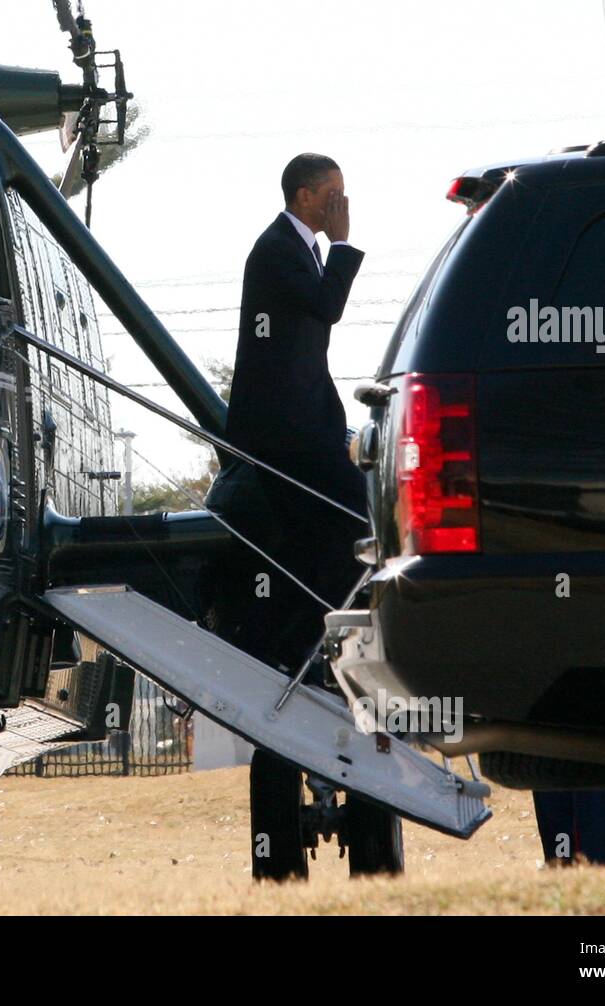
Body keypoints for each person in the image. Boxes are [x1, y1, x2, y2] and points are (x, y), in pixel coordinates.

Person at [214, 153, 368, 671]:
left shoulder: (301, 250)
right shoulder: (277, 250)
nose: (340, 206)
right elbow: (329, 306)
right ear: (305, 195)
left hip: (307, 425)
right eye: (333, 195)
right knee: (353, 520)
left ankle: (293, 645)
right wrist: (343, 242)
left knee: (320, 540)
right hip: (285, 434)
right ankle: (291, 644)